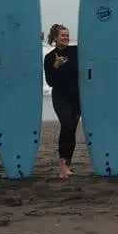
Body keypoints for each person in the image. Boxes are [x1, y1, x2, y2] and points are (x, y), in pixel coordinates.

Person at [43, 23, 80, 179]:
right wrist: (56, 66)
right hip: (60, 97)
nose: (66, 38)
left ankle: (68, 165)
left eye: (67, 35)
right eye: (62, 35)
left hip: (77, 97)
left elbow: (95, 53)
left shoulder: (76, 51)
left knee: (72, 130)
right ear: (55, 38)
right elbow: (50, 82)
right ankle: (62, 165)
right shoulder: (50, 57)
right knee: (66, 125)